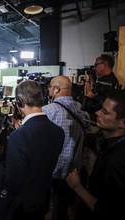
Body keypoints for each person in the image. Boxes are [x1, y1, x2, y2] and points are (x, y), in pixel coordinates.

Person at [0, 80, 65, 220]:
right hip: (42, 201)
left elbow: (12, 184)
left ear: (20, 102)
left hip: (21, 207)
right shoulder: (58, 132)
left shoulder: (19, 136)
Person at [66, 89, 125, 220]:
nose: (97, 113)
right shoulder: (124, 143)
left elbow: (109, 211)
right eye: (101, 108)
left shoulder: (118, 162)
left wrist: (77, 187)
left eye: (105, 112)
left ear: (123, 123)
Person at [42, 76, 90, 220]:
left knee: (50, 208)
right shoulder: (80, 109)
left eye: (50, 87)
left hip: (53, 170)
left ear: (56, 89)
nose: (49, 89)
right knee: (63, 208)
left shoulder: (47, 111)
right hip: (74, 172)